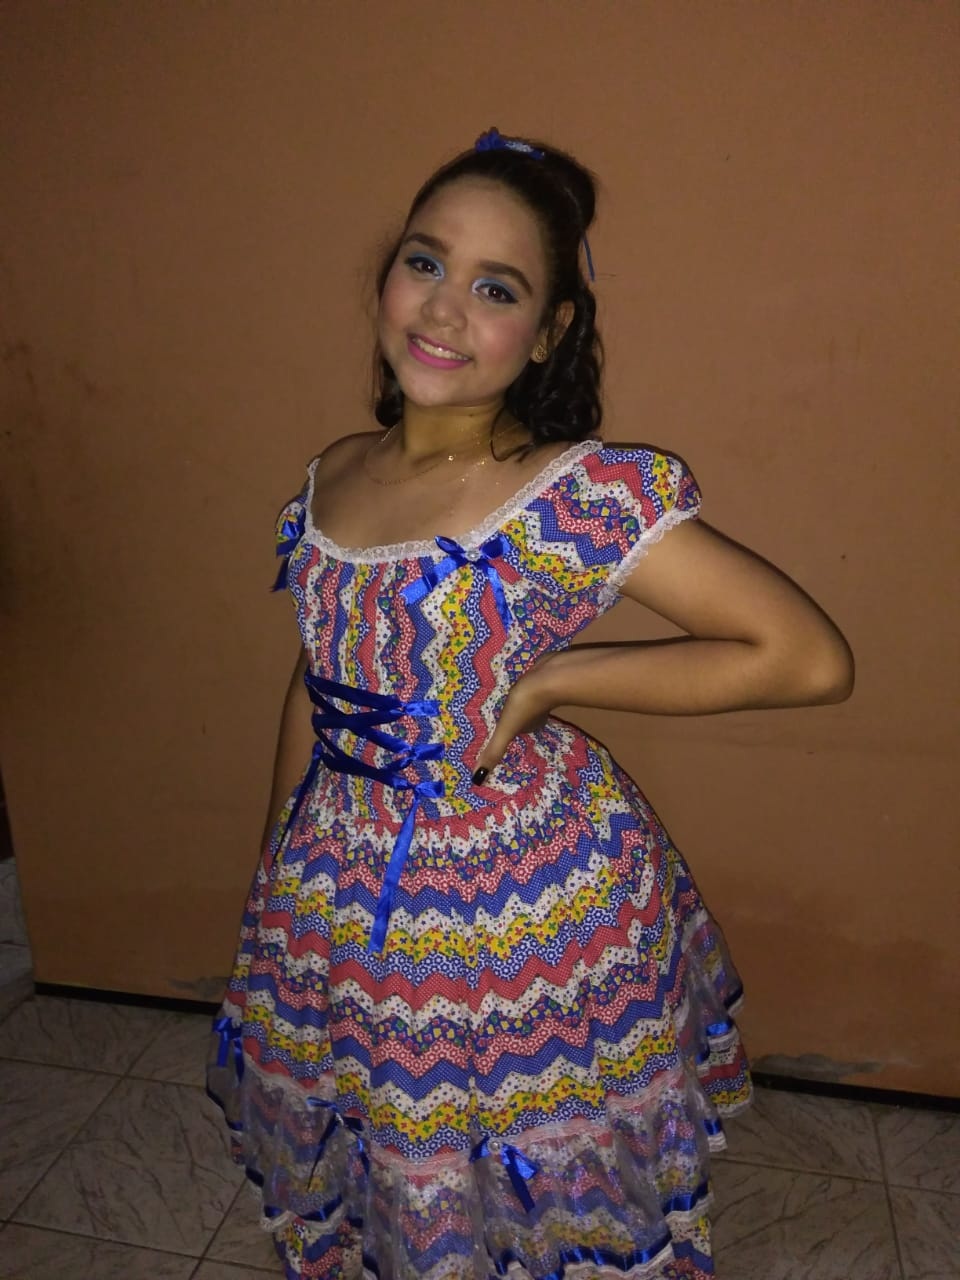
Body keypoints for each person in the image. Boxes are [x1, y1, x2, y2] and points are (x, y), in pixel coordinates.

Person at [207, 127, 854, 1280]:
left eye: (495, 288)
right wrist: (275, 863)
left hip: (509, 897)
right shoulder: (335, 471)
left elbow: (803, 655)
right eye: (425, 261)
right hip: (341, 870)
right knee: (388, 1129)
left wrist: (555, 678)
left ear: (550, 331)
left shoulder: (565, 497)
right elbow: (316, 674)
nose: (443, 308)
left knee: (521, 1147)